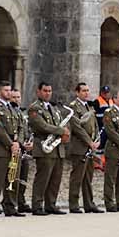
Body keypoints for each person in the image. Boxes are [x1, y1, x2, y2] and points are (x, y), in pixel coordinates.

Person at [28, 82, 69, 215]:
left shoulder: (54, 108)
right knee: (42, 178)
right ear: (38, 91)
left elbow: (60, 124)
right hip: (43, 146)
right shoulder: (34, 108)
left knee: (55, 178)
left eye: (50, 91)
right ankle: (37, 206)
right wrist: (61, 131)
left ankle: (51, 204)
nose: (48, 93)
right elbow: (42, 126)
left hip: (56, 147)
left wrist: (65, 134)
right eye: (45, 90)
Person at [0, 81, 23, 217]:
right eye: (6, 90)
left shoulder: (14, 108)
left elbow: (21, 127)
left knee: (13, 178)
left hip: (15, 147)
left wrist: (18, 142)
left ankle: (10, 205)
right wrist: (10, 144)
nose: (9, 92)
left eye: (10, 90)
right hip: (1, 149)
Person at [67, 82, 102, 213]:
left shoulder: (89, 107)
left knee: (88, 177)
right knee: (77, 177)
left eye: (87, 90)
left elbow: (95, 125)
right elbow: (77, 127)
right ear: (77, 92)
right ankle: (74, 204)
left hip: (90, 147)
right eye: (83, 91)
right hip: (79, 146)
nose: (86, 93)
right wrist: (89, 142)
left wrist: (97, 139)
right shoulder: (73, 107)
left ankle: (89, 203)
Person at [10, 88, 34, 214]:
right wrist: (20, 144)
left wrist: (30, 143)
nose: (16, 99)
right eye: (13, 97)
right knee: (14, 177)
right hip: (15, 149)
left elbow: (28, 131)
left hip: (25, 150)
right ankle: (11, 202)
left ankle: (21, 200)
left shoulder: (23, 114)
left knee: (23, 177)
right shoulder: (9, 112)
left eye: (18, 97)